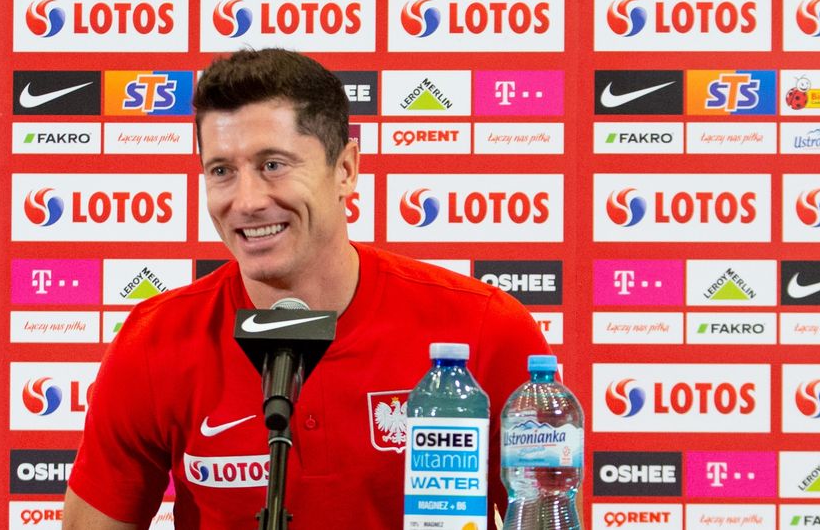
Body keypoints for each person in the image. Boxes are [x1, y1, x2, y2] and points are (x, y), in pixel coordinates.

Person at [64, 48, 550, 529]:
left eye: (273, 164)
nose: (247, 201)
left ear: (346, 170)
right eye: (221, 171)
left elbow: (548, 510)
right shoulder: (155, 340)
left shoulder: (483, 328)